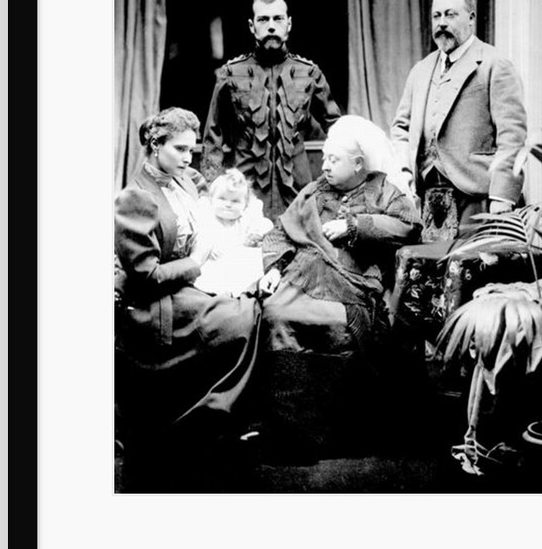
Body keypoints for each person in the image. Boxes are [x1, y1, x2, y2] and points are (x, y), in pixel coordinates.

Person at [254, 115, 422, 459]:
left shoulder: (382, 190)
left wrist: (355, 226)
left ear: (358, 164)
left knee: (334, 323)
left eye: (334, 159)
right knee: (274, 314)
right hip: (301, 275)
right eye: (325, 158)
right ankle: (290, 431)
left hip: (353, 281)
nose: (325, 165)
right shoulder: (314, 191)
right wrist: (274, 267)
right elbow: (281, 232)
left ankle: (334, 433)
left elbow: (409, 227)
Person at [114, 108, 262, 489]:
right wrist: (197, 262)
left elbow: (218, 200)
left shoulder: (184, 181)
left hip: (187, 284)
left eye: (191, 151)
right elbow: (147, 276)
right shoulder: (135, 198)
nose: (187, 158)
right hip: (155, 301)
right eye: (179, 149)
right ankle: (206, 423)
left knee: (252, 303)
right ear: (154, 145)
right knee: (240, 319)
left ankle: (222, 421)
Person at [390, 0, 528, 241]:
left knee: (470, 275)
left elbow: (513, 137)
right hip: (428, 200)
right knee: (430, 274)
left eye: (450, 15)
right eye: (436, 16)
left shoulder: (495, 64)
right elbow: (400, 128)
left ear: (471, 18)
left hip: (477, 197)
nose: (441, 23)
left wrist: (502, 196)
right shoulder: (421, 70)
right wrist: (405, 171)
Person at [200, 0, 342, 222]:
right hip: (244, 192)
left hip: (298, 191)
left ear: (289, 24)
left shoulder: (309, 74)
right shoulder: (230, 74)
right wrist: (211, 192)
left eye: (278, 18)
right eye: (263, 19)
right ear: (251, 26)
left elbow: (338, 130)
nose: (271, 26)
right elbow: (213, 137)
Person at [190, 168, 274, 297]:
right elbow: (201, 237)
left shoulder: (243, 220)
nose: (228, 205)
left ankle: (242, 291)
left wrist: (256, 233)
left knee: (252, 257)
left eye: (235, 201)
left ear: (245, 205)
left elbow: (265, 224)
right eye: (222, 199)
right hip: (214, 263)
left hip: (237, 265)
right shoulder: (209, 218)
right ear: (212, 199)